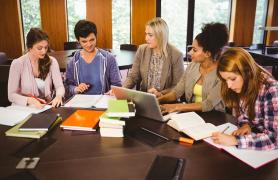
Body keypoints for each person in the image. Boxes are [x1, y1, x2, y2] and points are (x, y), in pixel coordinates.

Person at [212, 47, 278, 150]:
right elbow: (243, 116)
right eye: (225, 80)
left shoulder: (271, 89)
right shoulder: (241, 84)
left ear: (247, 72)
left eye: (233, 79)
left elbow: (274, 139)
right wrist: (246, 125)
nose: (229, 85)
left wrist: (235, 140)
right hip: (256, 141)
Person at [158, 22, 228, 113]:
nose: (190, 53)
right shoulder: (192, 66)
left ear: (208, 54)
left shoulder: (223, 73)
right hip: (191, 115)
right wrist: (159, 100)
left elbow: (208, 104)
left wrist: (175, 107)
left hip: (214, 118)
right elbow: (177, 92)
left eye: (194, 50)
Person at [123, 17, 184, 96]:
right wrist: (122, 90)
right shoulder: (142, 50)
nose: (146, 38)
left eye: (150, 35)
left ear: (161, 36)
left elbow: (178, 86)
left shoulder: (176, 55)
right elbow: (133, 76)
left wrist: (160, 93)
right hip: (144, 98)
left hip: (165, 100)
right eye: (146, 34)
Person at [8, 28, 65, 108]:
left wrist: (59, 96)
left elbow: (59, 86)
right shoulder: (17, 63)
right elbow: (11, 95)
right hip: (23, 108)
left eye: (46, 47)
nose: (44, 51)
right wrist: (31, 100)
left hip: (44, 107)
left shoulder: (52, 61)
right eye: (39, 48)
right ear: (30, 47)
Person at [65, 20, 122, 97]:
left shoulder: (109, 59)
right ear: (78, 41)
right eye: (84, 41)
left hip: (103, 102)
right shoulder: (72, 62)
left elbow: (117, 85)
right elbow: (68, 87)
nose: (89, 45)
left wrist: (113, 91)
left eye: (92, 40)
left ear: (96, 37)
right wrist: (76, 89)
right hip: (81, 103)